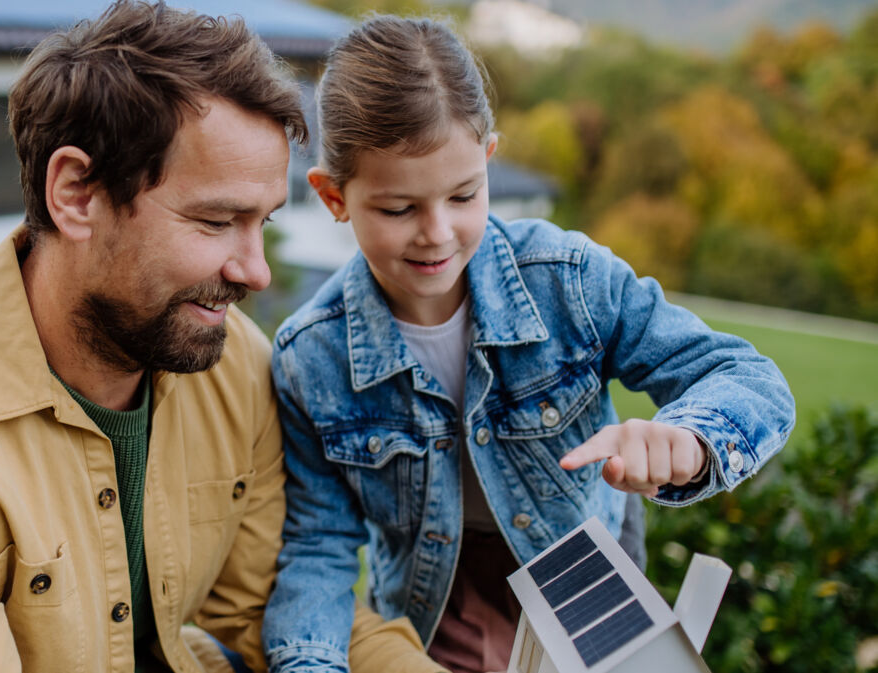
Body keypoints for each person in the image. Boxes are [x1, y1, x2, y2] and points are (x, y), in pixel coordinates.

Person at [0, 3, 441, 672]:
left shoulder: (234, 364)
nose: (256, 271)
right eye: (215, 221)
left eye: (262, 221)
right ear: (75, 193)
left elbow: (270, 608)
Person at [262, 15, 795, 673]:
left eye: (463, 195)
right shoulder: (309, 357)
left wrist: (687, 439)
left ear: (488, 159)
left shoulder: (569, 281)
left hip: (589, 596)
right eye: (399, 209)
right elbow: (318, 544)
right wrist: (311, 662)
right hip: (434, 614)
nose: (437, 232)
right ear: (334, 196)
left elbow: (748, 376)